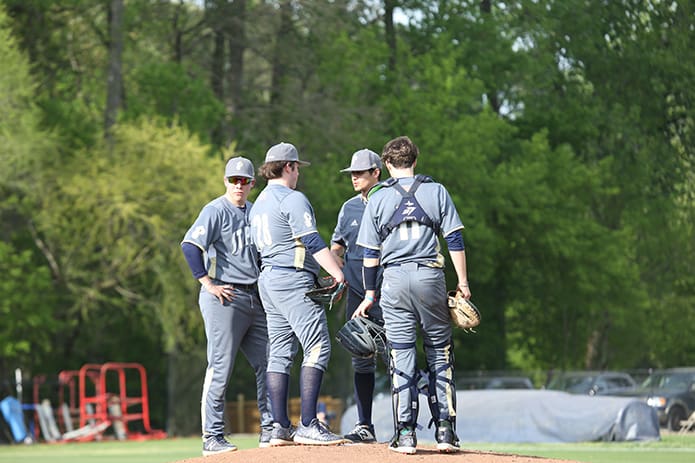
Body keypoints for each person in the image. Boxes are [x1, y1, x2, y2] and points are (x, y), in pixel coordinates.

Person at [354, 136, 471, 454]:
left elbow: (369, 256)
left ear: (387, 165)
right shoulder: (437, 191)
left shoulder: (378, 197)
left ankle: (405, 433)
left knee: (401, 355)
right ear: (415, 161)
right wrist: (463, 283)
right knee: (439, 352)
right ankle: (446, 431)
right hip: (430, 276)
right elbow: (455, 240)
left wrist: (369, 293)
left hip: (393, 280)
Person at [249, 142, 347, 446]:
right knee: (317, 346)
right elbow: (312, 241)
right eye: (296, 168)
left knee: (279, 351)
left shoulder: (259, 203)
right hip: (292, 279)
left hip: (268, 279)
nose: (298, 174)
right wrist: (338, 273)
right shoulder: (292, 199)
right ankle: (307, 424)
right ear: (289, 166)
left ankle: (278, 427)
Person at [181, 157, 273, 456]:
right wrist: (206, 282)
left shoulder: (256, 211)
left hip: (253, 296)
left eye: (244, 180)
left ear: (252, 184)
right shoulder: (215, 210)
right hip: (224, 296)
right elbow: (190, 245)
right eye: (233, 180)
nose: (238, 185)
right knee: (220, 366)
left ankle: (271, 428)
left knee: (271, 362)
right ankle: (212, 436)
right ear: (225, 181)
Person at [330, 149, 384, 443]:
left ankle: (406, 425)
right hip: (356, 293)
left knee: (398, 355)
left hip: (388, 290)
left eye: (360, 172)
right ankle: (365, 425)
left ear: (376, 172)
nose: (354, 177)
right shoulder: (349, 207)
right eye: (351, 173)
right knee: (361, 356)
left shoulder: (390, 201)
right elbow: (337, 246)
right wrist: (335, 271)